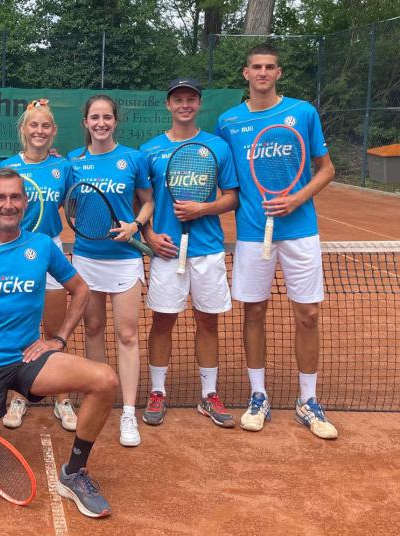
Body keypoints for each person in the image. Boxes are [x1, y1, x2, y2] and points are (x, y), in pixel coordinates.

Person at [0, 168, 118, 518]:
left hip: (27, 359)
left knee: (104, 379)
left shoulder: (42, 245)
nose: (8, 205)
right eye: (0, 197)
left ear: (25, 202)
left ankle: (74, 472)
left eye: (15, 197)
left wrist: (58, 339)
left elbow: (80, 290)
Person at [216, 43, 338, 439]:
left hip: (300, 230)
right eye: (256, 67)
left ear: (279, 73)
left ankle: (308, 401)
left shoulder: (302, 113)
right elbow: (225, 180)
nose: (263, 73)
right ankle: (258, 395)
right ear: (245, 73)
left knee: (309, 315)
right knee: (253, 314)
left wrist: (298, 198)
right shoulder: (229, 122)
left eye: (270, 67)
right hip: (252, 234)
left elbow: (326, 168)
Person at [139, 78, 239, 427]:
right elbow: (143, 201)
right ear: (169, 105)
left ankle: (209, 395)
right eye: (178, 99)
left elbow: (232, 197)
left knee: (207, 322)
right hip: (167, 252)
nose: (184, 104)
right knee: (162, 321)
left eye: (191, 99)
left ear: (198, 104)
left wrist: (202, 209)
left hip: (207, 250)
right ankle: (157, 391)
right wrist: (149, 234)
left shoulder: (217, 147)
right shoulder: (149, 151)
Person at [67, 95, 154, 447]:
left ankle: (129, 413)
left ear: (115, 121)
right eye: (94, 117)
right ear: (85, 122)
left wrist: (135, 225)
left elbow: (148, 200)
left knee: (128, 334)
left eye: (107, 117)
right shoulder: (73, 161)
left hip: (124, 259)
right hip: (86, 259)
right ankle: (98, 397)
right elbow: (70, 203)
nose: (101, 123)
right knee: (92, 328)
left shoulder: (133, 158)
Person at [0, 99, 78, 431]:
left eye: (46, 126)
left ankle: (61, 397)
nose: (39, 131)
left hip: (51, 250)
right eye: (34, 125)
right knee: (17, 327)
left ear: (54, 131)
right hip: (15, 252)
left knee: (55, 328)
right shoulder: (8, 167)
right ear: (23, 130)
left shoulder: (63, 167)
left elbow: (73, 207)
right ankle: (17, 397)